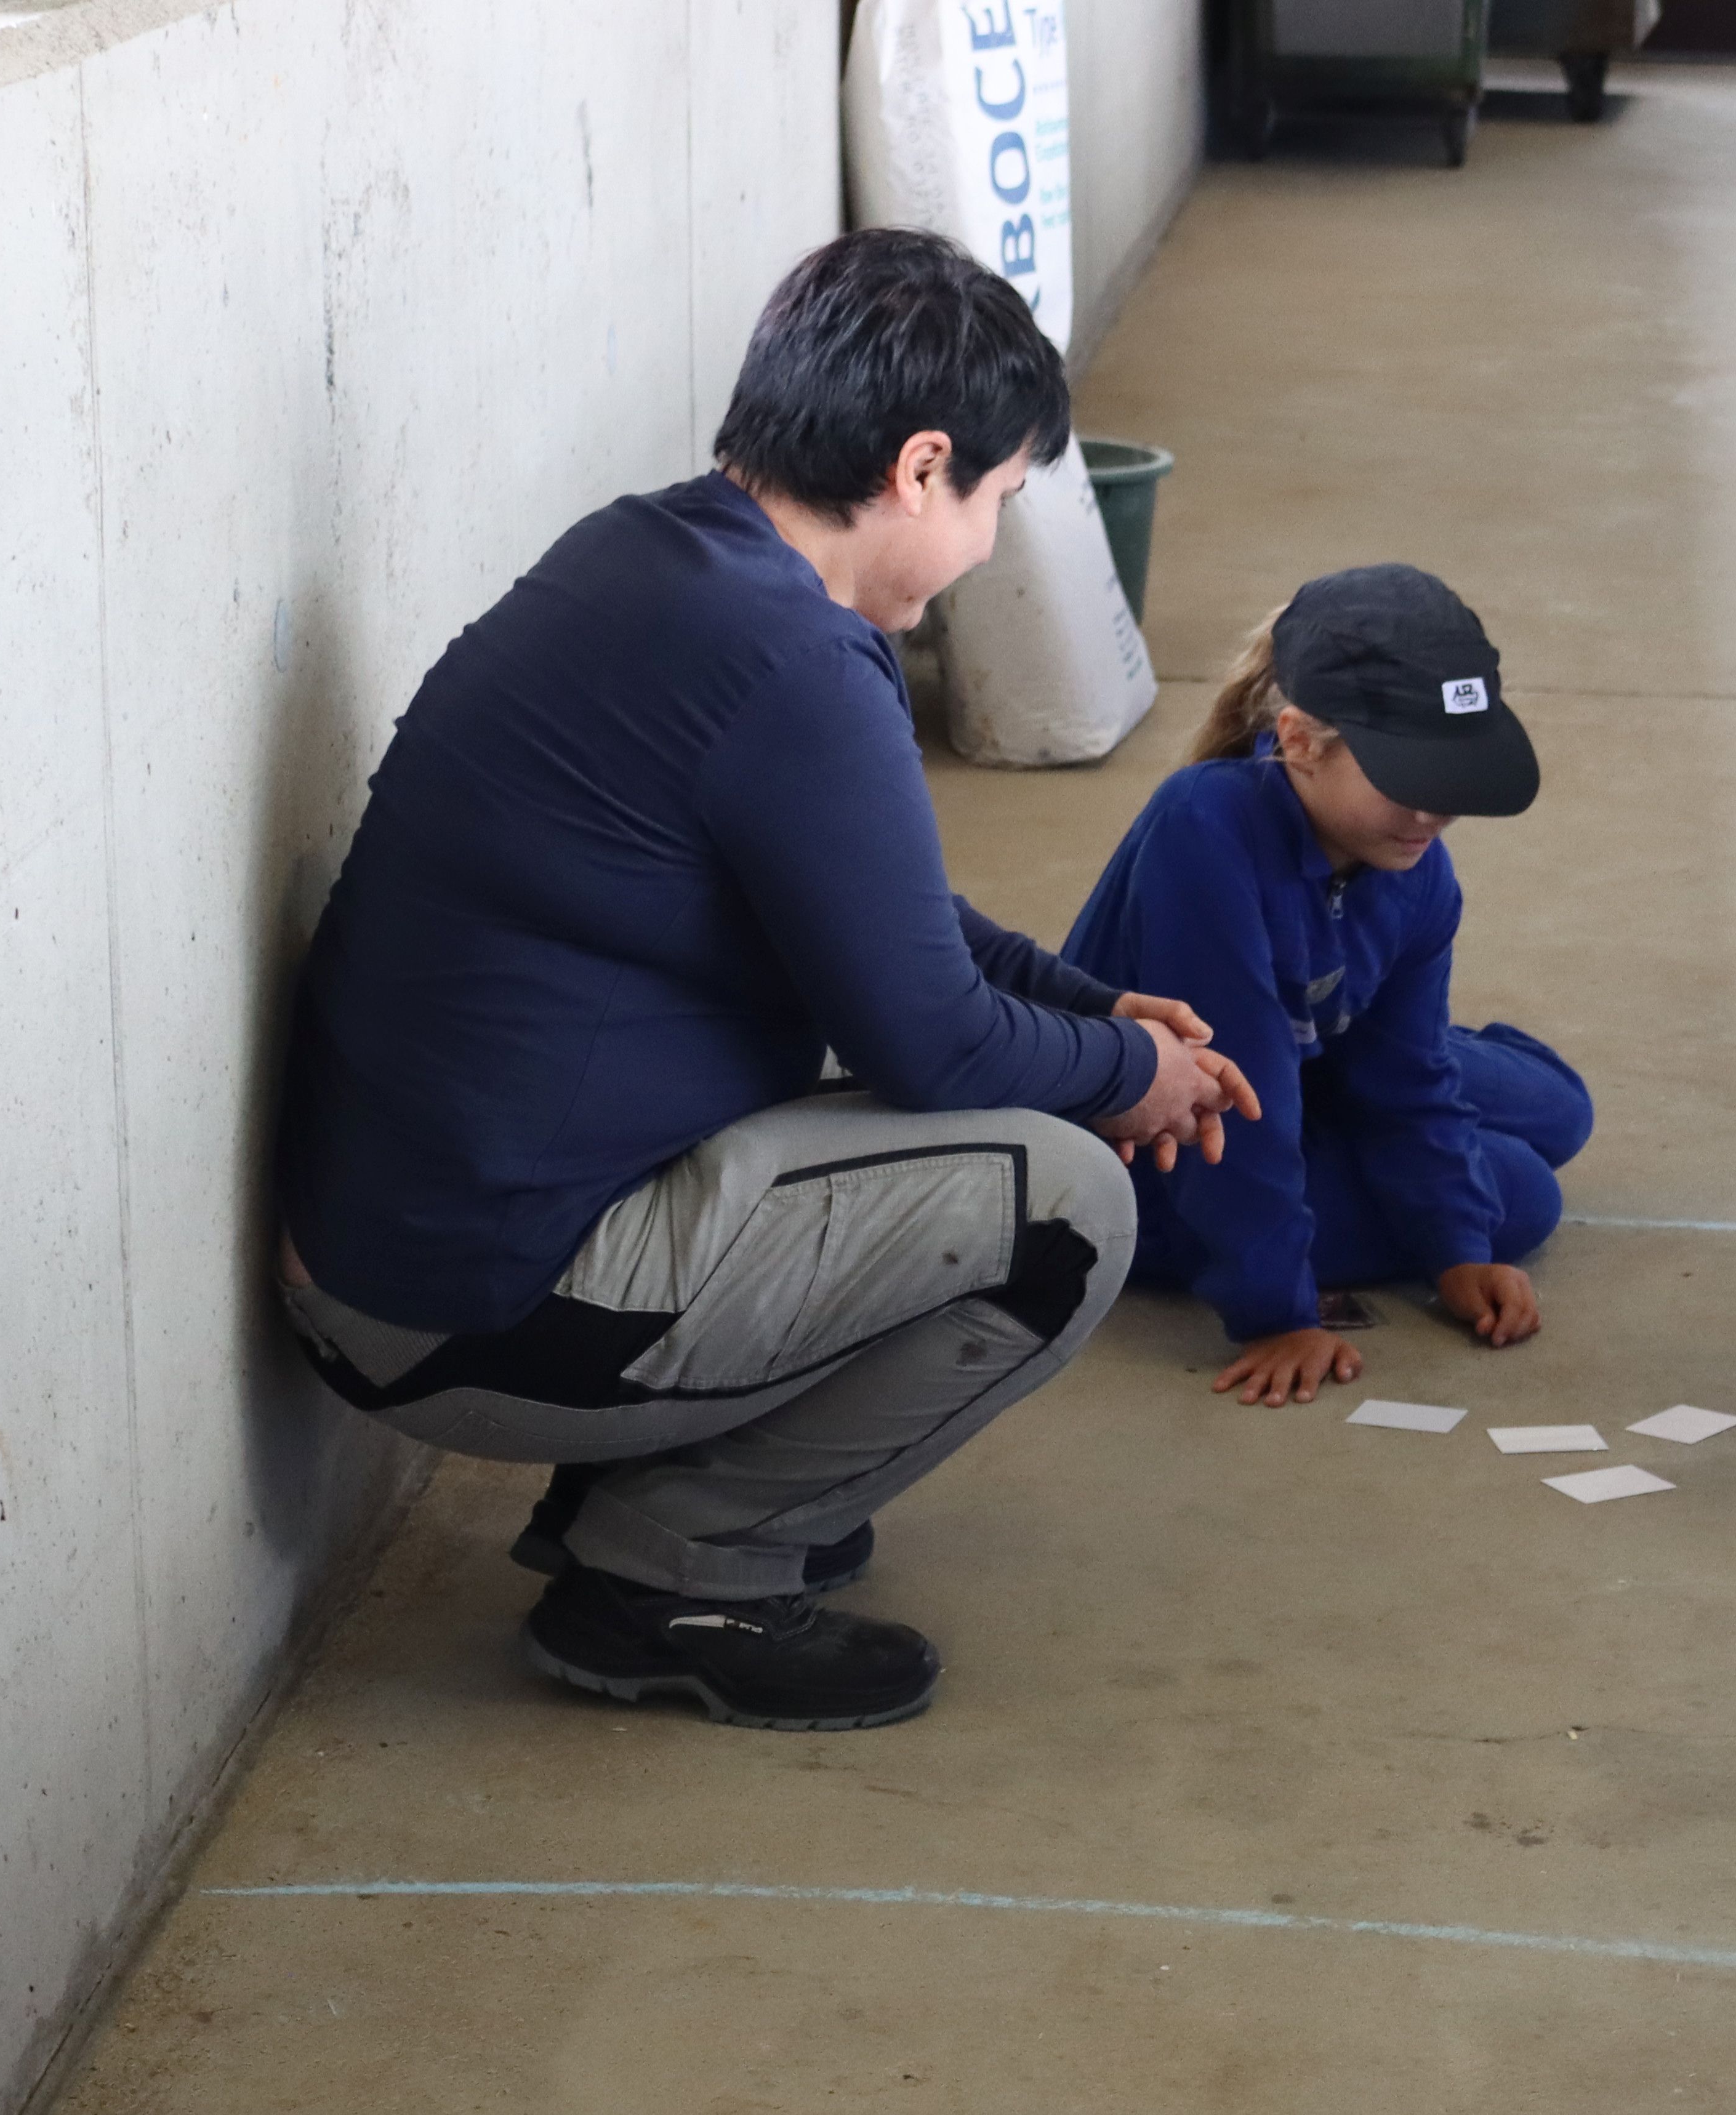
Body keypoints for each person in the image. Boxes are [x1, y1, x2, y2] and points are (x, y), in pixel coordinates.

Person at [272, 228, 1258, 1732]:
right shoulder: (794, 661)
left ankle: (666, 1490)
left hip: (395, 1254)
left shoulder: (659, 554)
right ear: (920, 469)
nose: (989, 545)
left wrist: (1084, 1005)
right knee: (1065, 1203)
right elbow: (932, 1041)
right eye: (996, 500)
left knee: (954, 1086)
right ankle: (670, 1576)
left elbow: (885, 914)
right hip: (462, 1309)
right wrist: (1133, 1077)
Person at [1064, 566, 1593, 1409]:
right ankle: (1323, 1087)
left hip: (1297, 1061)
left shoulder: (1414, 864)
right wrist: (1277, 1310)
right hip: (1153, 1162)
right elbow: (1223, 1102)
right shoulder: (1203, 828)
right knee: (1525, 1192)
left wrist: (1456, 1247)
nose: (1434, 813)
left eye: (1455, 777)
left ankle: (1327, 1079)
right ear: (1301, 742)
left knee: (1561, 1112)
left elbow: (1410, 1076)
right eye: (1408, 777)